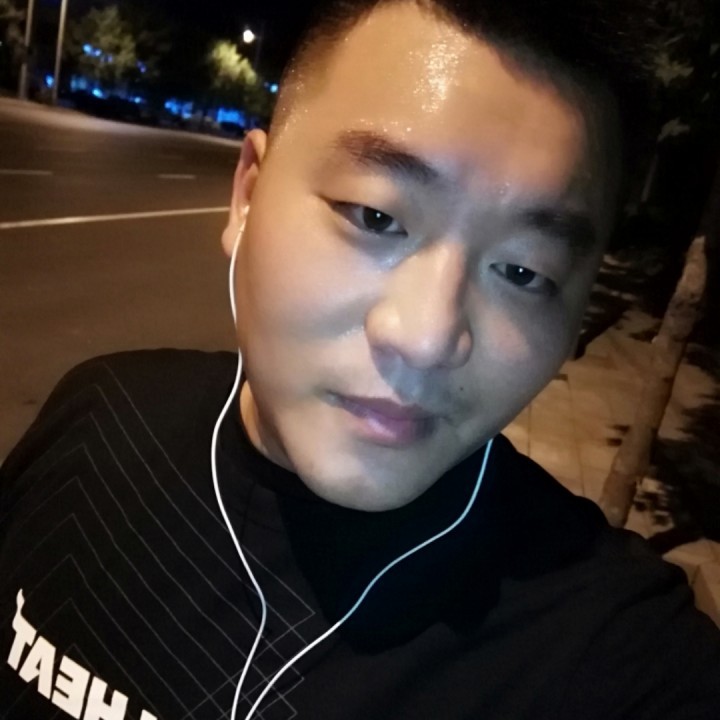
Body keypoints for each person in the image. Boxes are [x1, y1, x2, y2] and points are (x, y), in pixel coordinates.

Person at [2, 0, 719, 718]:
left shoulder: (605, 652)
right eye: (376, 217)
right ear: (247, 195)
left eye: (523, 272)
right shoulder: (96, 424)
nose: (427, 337)